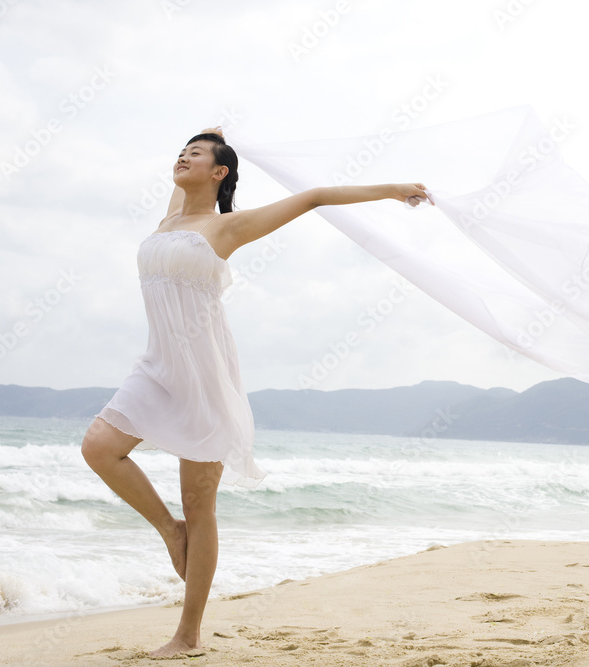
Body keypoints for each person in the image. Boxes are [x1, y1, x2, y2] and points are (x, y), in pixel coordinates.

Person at [80, 126, 430, 658]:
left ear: (219, 172)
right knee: (99, 448)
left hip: (203, 374)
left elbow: (313, 198)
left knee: (201, 504)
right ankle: (169, 533)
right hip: (155, 368)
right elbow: (189, 168)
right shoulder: (169, 218)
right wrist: (208, 128)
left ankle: (188, 634)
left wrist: (393, 187)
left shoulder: (227, 228)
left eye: (194, 154)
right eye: (181, 151)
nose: (182, 157)